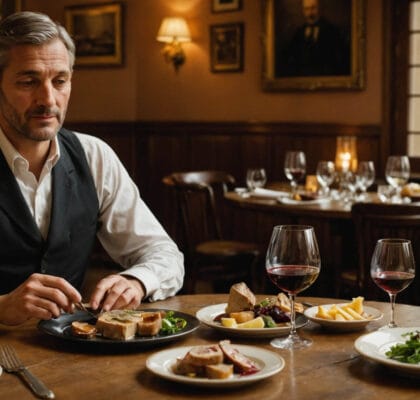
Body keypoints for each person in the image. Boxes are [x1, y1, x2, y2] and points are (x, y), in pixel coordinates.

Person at [0, 12, 184, 326]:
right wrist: (2, 307)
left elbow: (162, 252)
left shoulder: (94, 155)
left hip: (70, 353)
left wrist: (136, 281)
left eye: (60, 81)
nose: (48, 99)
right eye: (28, 81)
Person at [278, 0, 350, 77]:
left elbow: (340, 62)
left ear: (320, 9)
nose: (310, 13)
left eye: (313, 8)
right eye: (306, 9)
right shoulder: (298, 33)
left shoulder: (332, 31)